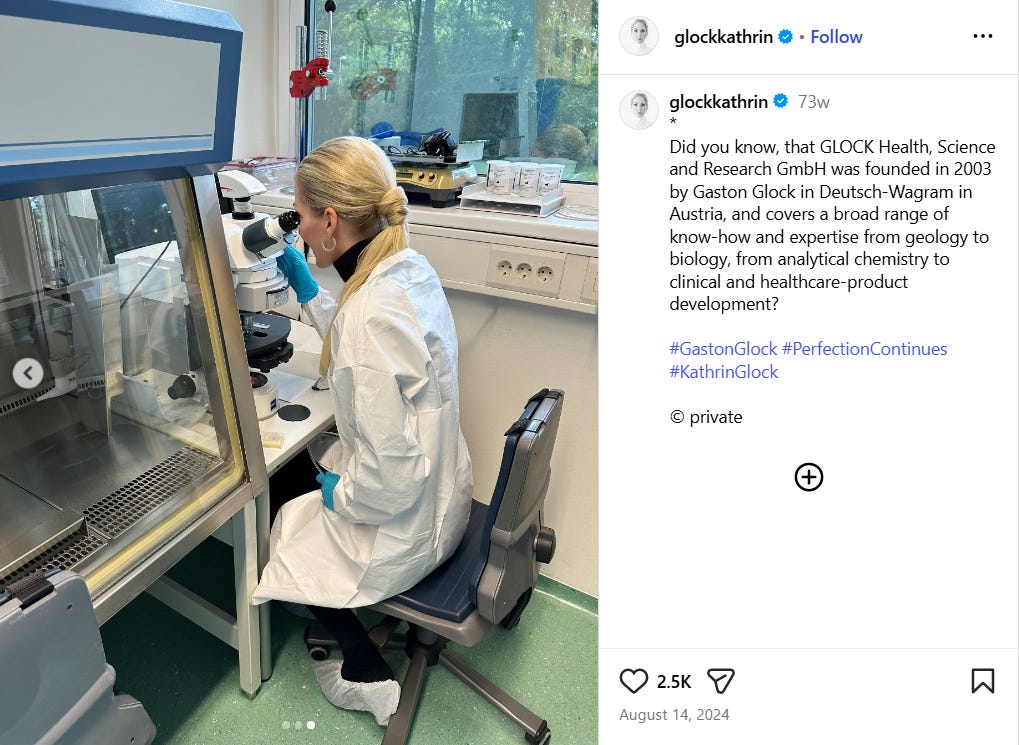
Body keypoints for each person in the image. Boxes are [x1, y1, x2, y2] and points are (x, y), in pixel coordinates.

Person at [252, 136, 473, 727]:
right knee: (306, 467)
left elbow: (389, 475)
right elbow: (365, 335)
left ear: (329, 221)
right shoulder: (407, 270)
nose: (297, 229)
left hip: (403, 525)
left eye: (299, 215)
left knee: (280, 503)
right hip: (446, 494)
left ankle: (364, 670)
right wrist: (307, 289)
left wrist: (339, 495)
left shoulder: (367, 318)